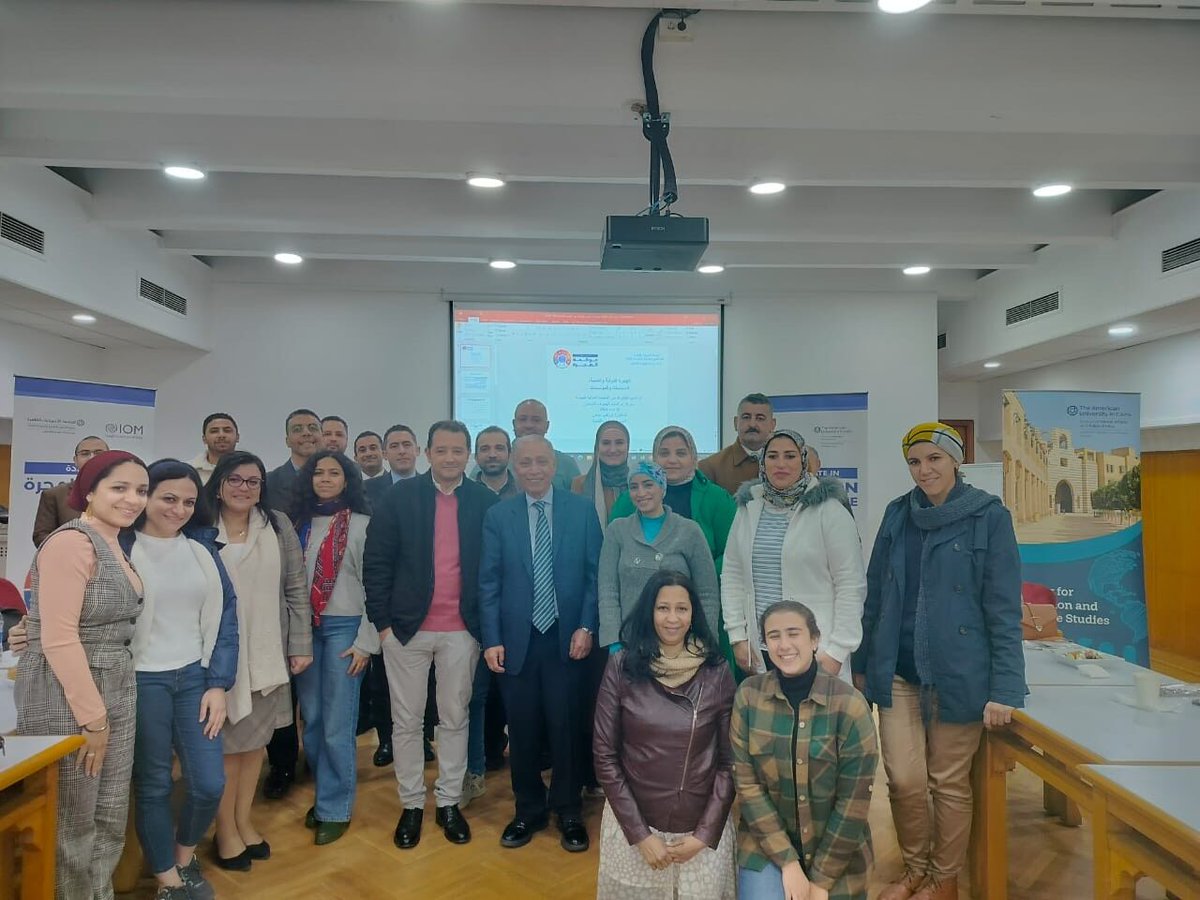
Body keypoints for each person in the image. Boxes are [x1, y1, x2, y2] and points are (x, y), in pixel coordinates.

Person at [853, 423, 1025, 900]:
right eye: (915, 461)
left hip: (960, 674)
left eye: (934, 459)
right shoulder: (897, 515)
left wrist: (1006, 688)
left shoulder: (989, 517)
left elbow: (1003, 608)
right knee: (904, 780)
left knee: (948, 783)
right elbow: (875, 596)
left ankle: (943, 880)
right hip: (899, 672)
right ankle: (916, 870)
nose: (924, 469)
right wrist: (863, 664)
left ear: (955, 461)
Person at [15, 450, 149, 900]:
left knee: (108, 815)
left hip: (115, 684)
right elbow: (58, 638)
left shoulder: (114, 541)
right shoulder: (71, 541)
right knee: (71, 822)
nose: (133, 499)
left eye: (141, 490)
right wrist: (93, 721)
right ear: (88, 491)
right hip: (68, 695)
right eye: (119, 488)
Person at [363, 421, 498, 849]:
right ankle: (411, 805)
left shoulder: (483, 501)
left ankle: (449, 802)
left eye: (459, 450)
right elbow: (377, 563)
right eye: (442, 450)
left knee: (455, 718)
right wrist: (382, 625)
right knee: (406, 721)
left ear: (468, 454)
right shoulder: (398, 498)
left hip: (462, 631)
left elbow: (492, 571)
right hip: (406, 630)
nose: (451, 458)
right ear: (427, 452)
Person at [122, 459, 238, 900]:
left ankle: (184, 856)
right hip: (142, 679)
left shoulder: (202, 549)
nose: (179, 509)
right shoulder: (119, 547)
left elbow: (227, 618)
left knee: (209, 782)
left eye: (189, 501)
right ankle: (168, 881)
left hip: (195, 676)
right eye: (168, 498)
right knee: (153, 783)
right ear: (145, 497)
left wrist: (217, 684)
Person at [479, 435, 602, 853]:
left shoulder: (582, 511)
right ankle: (528, 810)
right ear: (514, 466)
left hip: (568, 640)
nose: (533, 469)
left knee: (566, 727)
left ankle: (569, 810)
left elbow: (593, 577)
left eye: (542, 462)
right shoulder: (499, 516)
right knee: (525, 730)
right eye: (525, 462)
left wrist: (587, 625)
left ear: (555, 465)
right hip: (517, 642)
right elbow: (489, 583)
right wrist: (491, 639)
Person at [592, 571, 737, 900]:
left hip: (699, 830)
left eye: (682, 609)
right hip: (636, 827)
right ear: (649, 611)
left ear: (694, 613)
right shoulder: (622, 666)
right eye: (663, 608)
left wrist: (704, 834)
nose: (673, 619)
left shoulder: (717, 671)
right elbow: (604, 755)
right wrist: (641, 835)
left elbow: (730, 762)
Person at [205, 451, 311, 870]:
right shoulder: (198, 528)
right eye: (235, 480)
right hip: (218, 657)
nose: (244, 488)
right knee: (227, 751)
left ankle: (243, 821)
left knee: (255, 748)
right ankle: (224, 831)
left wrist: (300, 644)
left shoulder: (277, 524)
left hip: (268, 652)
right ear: (218, 483)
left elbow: (296, 588)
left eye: (253, 481)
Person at [732, 601, 879, 900]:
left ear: (814, 640)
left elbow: (853, 805)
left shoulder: (850, 706)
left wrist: (821, 882)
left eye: (793, 633)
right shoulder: (748, 696)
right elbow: (747, 788)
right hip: (767, 846)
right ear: (765, 644)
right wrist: (788, 863)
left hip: (838, 855)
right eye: (774, 636)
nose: (784, 645)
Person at [721, 429, 866, 679]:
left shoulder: (830, 510)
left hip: (817, 651)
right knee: (769, 716)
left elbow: (850, 584)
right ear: (763, 463)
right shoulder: (748, 509)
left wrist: (837, 651)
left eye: (789, 456)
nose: (781, 464)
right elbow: (732, 575)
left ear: (803, 461)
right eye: (773, 456)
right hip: (761, 649)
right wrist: (737, 636)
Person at [290, 450, 377, 845]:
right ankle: (326, 793)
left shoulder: (362, 525)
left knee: (338, 724)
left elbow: (376, 588)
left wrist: (366, 642)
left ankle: (334, 807)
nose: (325, 478)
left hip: (346, 629)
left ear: (347, 480)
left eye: (334, 473)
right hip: (305, 630)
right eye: (318, 472)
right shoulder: (298, 525)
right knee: (312, 720)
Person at [598, 462, 720, 650]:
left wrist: (703, 640)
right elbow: (608, 590)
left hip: (679, 643)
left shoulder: (689, 531)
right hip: (630, 643)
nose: (641, 492)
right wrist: (614, 642)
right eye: (634, 487)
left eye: (648, 484)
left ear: (662, 488)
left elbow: (707, 593)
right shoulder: (617, 530)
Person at [263, 408, 321, 797]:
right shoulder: (269, 482)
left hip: (331, 600)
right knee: (282, 690)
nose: (305, 434)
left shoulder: (338, 475)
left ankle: (319, 761)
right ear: (286, 439)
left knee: (319, 695)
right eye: (297, 430)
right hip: (281, 596)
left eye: (312, 428)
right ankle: (282, 766)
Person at [31, 434, 109, 547]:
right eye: (85, 453)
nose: (92, 458)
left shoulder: (125, 495)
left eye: (98, 453)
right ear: (75, 460)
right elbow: (41, 536)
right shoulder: (54, 495)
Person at [698, 393, 778, 496]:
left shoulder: (793, 463)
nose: (752, 424)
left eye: (760, 418)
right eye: (746, 417)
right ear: (736, 423)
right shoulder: (710, 467)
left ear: (773, 424)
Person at [512, 398, 580, 491]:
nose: (529, 425)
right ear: (514, 424)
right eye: (523, 419)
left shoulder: (566, 464)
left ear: (547, 426)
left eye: (536, 420)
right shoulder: (501, 461)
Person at [571, 420, 630, 528]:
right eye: (606, 443)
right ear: (597, 448)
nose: (613, 449)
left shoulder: (637, 482)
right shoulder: (580, 484)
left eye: (619, 443)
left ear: (628, 446)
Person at [365, 423, 421, 508]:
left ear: (417, 450)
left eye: (407, 445)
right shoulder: (366, 490)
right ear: (384, 454)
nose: (401, 451)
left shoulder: (432, 488)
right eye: (394, 446)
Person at [190, 413, 239, 484]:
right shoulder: (188, 470)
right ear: (204, 439)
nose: (221, 435)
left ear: (237, 437)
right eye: (214, 431)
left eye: (227, 430)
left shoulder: (251, 470)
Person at [474, 425, 520, 499]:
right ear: (476, 456)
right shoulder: (464, 494)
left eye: (499, 448)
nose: (492, 455)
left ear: (510, 455)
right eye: (485, 449)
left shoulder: (524, 492)